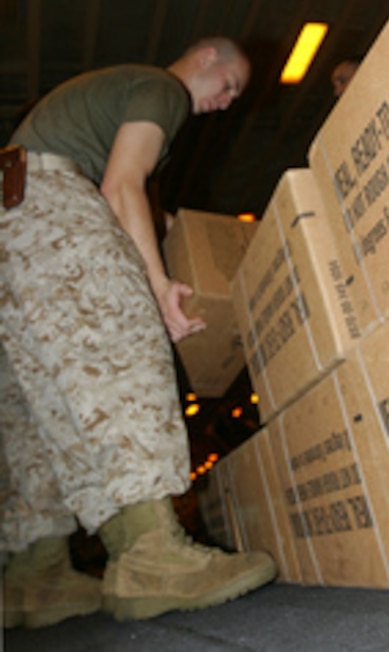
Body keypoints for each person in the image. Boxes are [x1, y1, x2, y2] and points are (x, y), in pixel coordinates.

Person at [0, 37, 277, 628]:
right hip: (48, 204)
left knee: (36, 398)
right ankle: (150, 554)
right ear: (206, 55)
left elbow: (134, 198)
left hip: (13, 217)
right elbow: (122, 186)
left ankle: (34, 572)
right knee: (119, 348)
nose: (227, 102)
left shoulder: (108, 98)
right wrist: (155, 288)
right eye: (229, 84)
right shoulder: (161, 89)